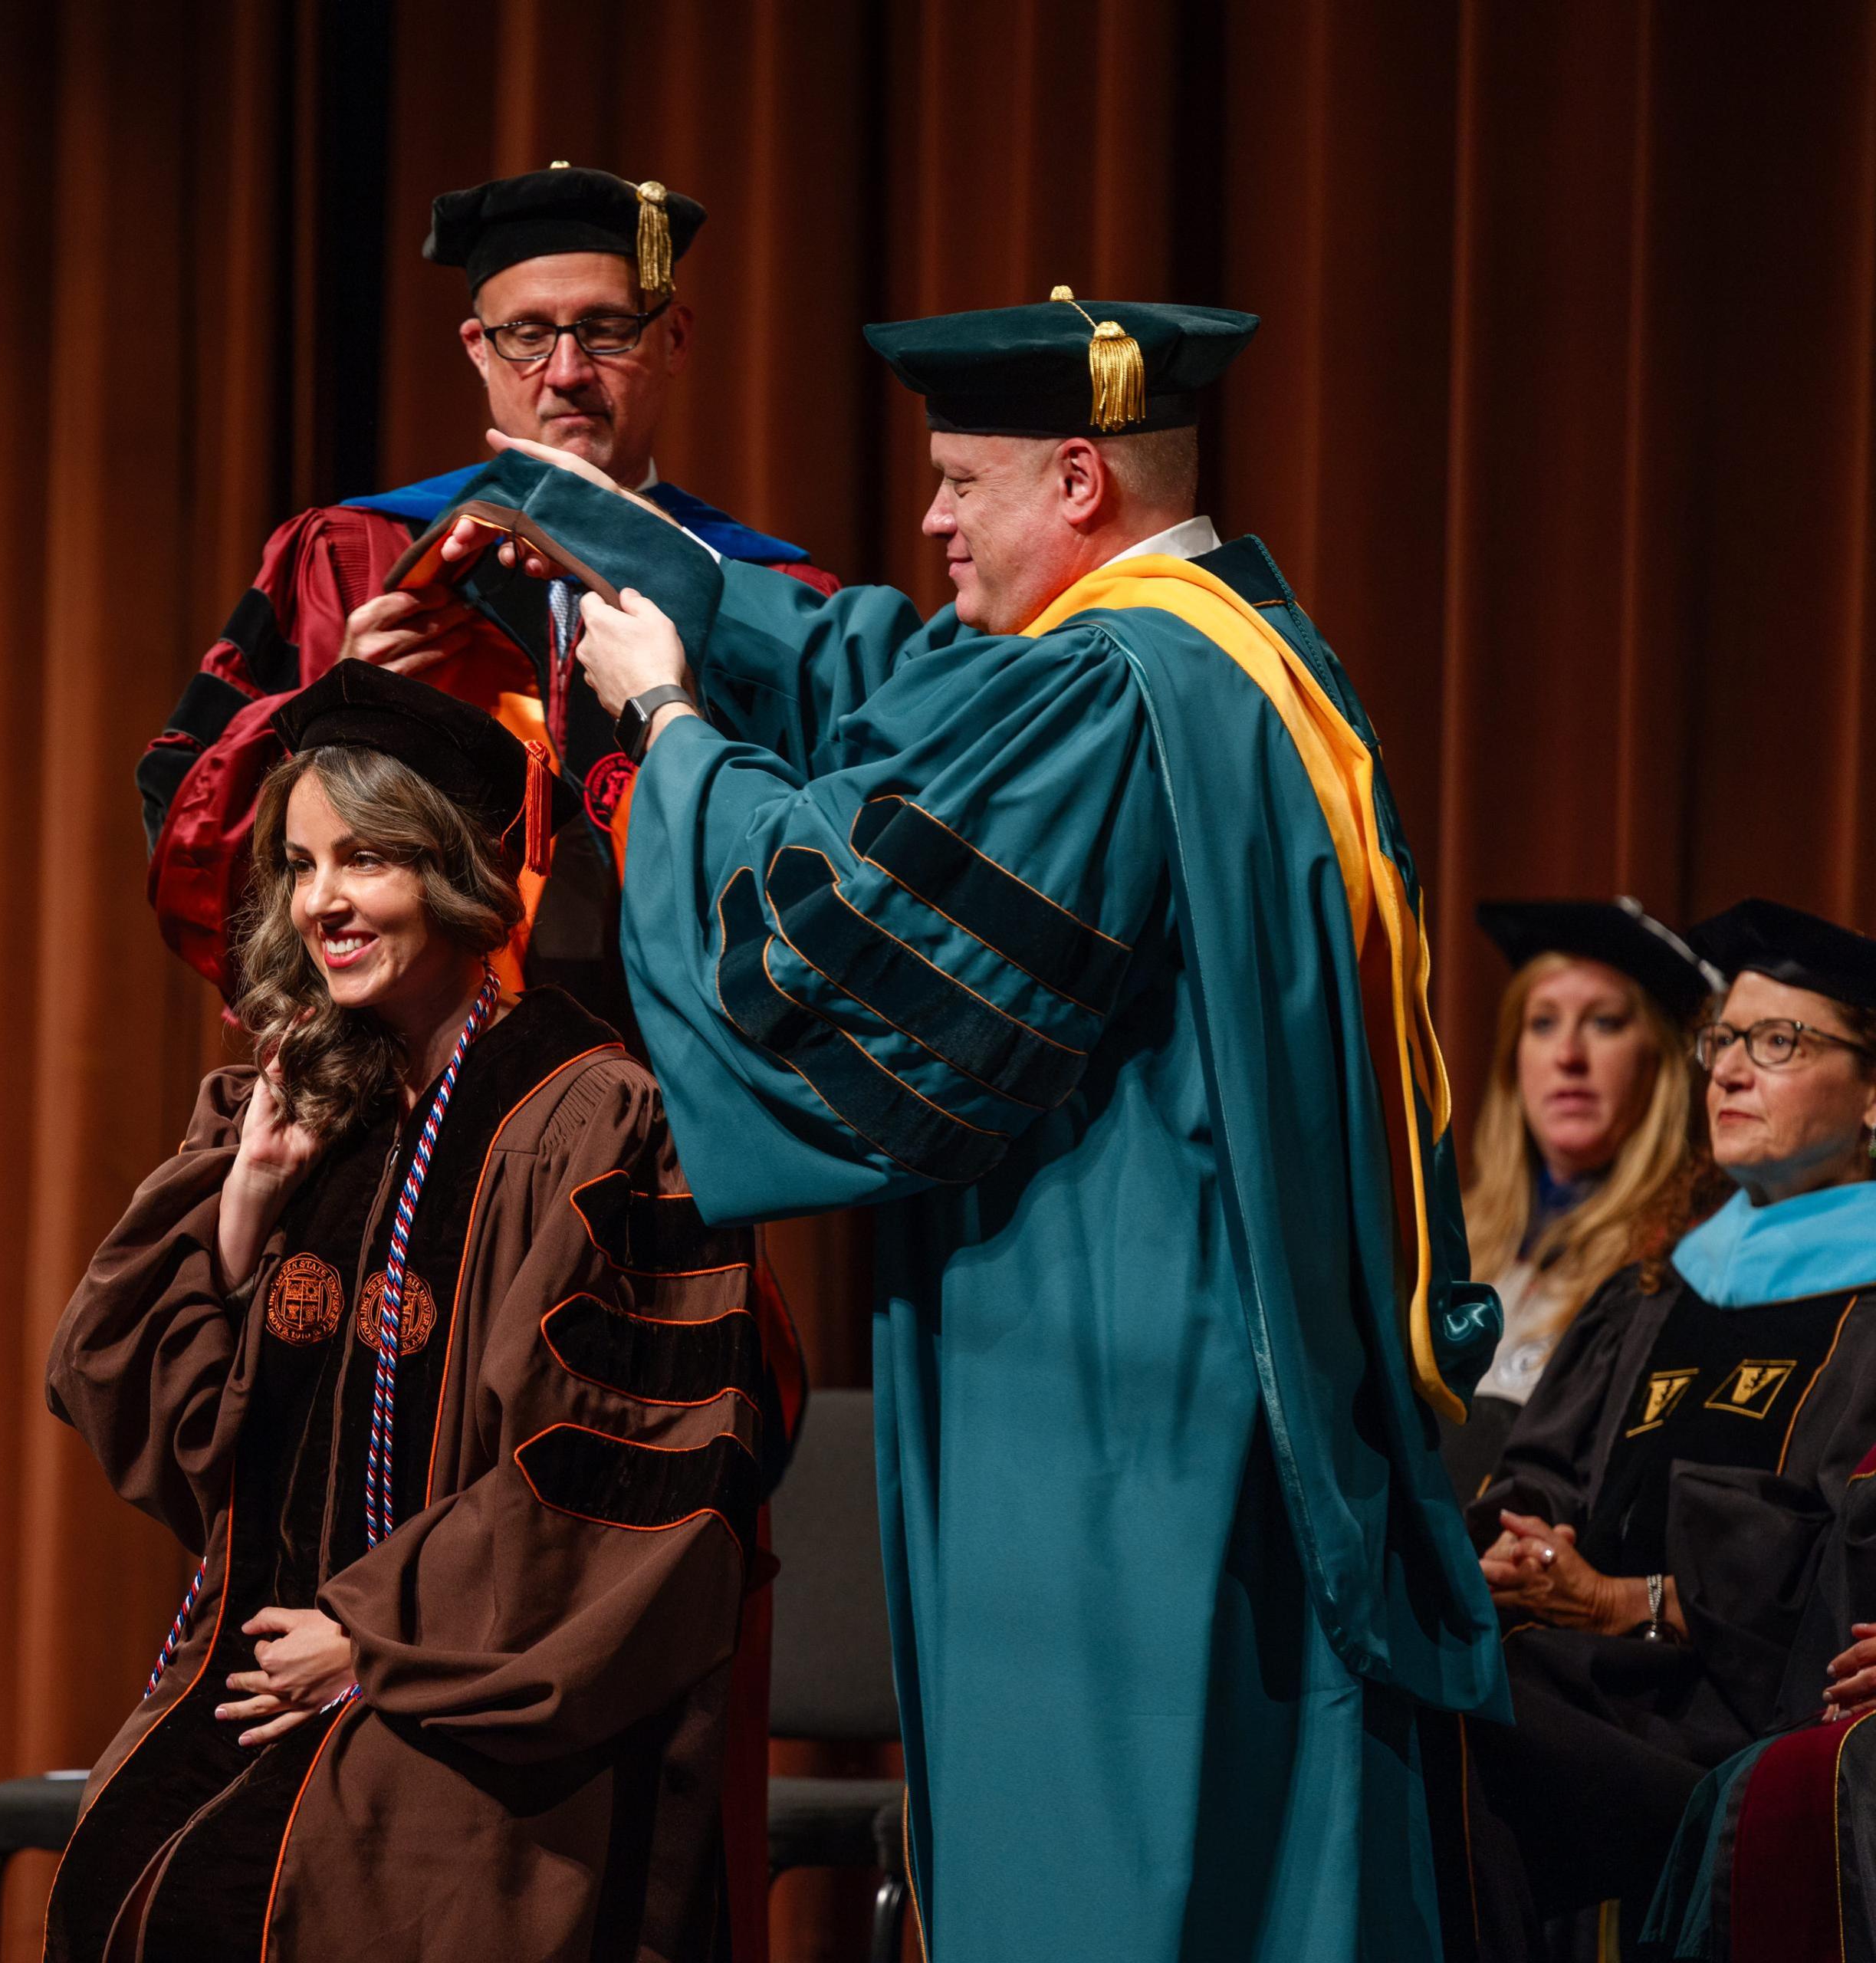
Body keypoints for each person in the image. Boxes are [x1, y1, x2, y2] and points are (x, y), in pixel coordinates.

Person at [419, 290, 1507, 1959]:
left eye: (956, 484)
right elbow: (906, 681)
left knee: (1115, 1865)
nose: (925, 522)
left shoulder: (1109, 693)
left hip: (1110, 1382)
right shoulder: (1236, 647)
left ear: (1075, 480)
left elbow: (843, 937)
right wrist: (628, 548)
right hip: (1220, 1368)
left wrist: (671, 725)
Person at [47, 662, 799, 1963]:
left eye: (366, 861)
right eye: (296, 865)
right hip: (253, 1693)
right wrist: (238, 1213)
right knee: (121, 1880)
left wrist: (372, 1642)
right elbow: (159, 1430)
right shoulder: (292, 1108)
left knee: (312, 1903)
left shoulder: (589, 1122)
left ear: (454, 871)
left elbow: (613, 1504)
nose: (322, 901)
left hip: (482, 1711)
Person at [138, 163, 841, 1038]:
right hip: (411, 1079)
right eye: (525, 334)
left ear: (675, 339)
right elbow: (189, 824)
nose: (567, 370)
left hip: (686, 1084)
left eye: (607, 329)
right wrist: (327, 709)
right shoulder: (352, 559)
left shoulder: (767, 598)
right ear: (475, 346)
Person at [1459, 900, 1876, 1963]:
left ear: (1872, 1095)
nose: (1729, 1071)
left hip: (1722, 1715)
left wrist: (1630, 1602)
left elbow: (1836, 1567)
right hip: (1588, 1685)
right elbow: (1540, 1473)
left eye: (1778, 1042)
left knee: (1449, 1723)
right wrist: (1521, 1544)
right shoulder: (1656, 1285)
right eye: (1722, 1041)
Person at [1444, 899, 1723, 1498]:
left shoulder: (1678, 1266)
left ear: (1658, 1061)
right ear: (1512, 1060)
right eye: (1542, 1023)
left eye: (1604, 1023)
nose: (1568, 1056)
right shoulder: (1449, 1247)